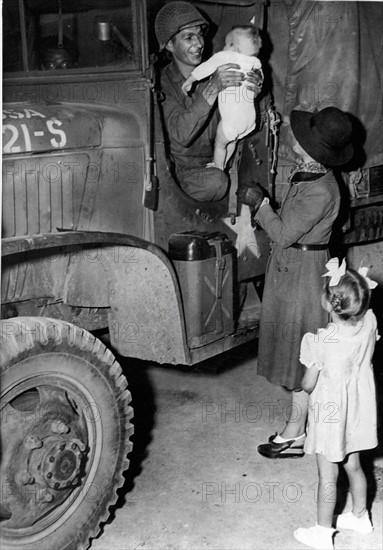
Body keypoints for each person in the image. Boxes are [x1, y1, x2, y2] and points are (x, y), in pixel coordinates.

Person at [255, 106, 355, 458]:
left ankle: (297, 431)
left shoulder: (321, 190)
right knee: (296, 354)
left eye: (303, 137)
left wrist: (260, 205)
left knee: (302, 358)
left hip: (302, 274)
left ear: (313, 149)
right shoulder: (311, 174)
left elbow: (282, 233)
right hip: (293, 269)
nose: (295, 138)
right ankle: (301, 427)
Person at [293, 258, 378, 550]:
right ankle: (360, 516)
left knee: (327, 475)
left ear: (330, 303)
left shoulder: (321, 341)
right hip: (359, 408)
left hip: (331, 414)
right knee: (354, 464)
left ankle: (321, 532)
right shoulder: (370, 322)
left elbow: (307, 384)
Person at [154, 1, 264, 202]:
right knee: (216, 183)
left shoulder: (217, 67)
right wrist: (213, 88)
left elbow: (236, 117)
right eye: (189, 37)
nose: (199, 43)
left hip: (223, 158)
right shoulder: (162, 84)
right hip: (185, 173)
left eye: (200, 35)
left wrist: (250, 93)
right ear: (170, 44)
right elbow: (182, 134)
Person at [181, 25, 263, 170]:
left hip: (231, 120)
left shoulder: (224, 57)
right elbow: (260, 76)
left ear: (233, 47)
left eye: (226, 44)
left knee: (220, 144)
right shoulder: (254, 62)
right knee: (232, 141)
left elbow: (206, 67)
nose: (223, 47)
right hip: (249, 119)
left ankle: (218, 166)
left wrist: (190, 81)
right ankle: (224, 164)